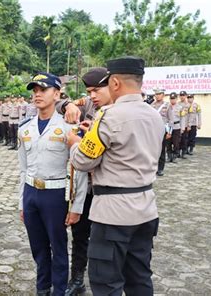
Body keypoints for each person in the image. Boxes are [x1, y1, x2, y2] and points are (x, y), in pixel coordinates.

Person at [67, 56, 164, 296]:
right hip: (145, 208)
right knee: (139, 278)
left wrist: (74, 143)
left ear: (116, 83)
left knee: (106, 282)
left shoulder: (108, 116)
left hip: (113, 214)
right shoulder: (154, 115)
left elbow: (82, 161)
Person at [19, 72, 87, 296]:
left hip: (56, 195)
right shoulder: (25, 128)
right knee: (38, 247)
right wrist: (22, 202)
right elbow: (23, 168)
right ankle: (42, 287)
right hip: (31, 193)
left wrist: (76, 207)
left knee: (58, 248)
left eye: (43, 90)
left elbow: (79, 170)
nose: (37, 95)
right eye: (35, 91)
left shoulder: (69, 128)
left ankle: (59, 290)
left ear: (57, 94)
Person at [60, 67, 112, 296]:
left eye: (96, 90)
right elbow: (60, 102)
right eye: (89, 91)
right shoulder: (90, 104)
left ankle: (107, 281)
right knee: (80, 235)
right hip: (86, 186)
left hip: (110, 189)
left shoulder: (124, 111)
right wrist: (67, 105)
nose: (91, 95)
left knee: (107, 240)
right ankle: (77, 278)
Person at [151, 87, 173, 176]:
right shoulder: (151, 105)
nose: (157, 96)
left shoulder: (167, 105)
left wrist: (169, 132)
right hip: (152, 131)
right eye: (156, 94)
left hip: (163, 131)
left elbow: (170, 119)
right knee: (152, 150)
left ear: (163, 95)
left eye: (159, 94)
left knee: (161, 150)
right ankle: (153, 168)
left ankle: (160, 168)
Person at [168, 92, 183, 163]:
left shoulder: (180, 107)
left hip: (177, 127)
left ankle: (175, 155)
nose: (172, 100)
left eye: (174, 99)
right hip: (168, 127)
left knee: (176, 143)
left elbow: (183, 118)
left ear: (176, 99)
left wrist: (182, 128)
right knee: (168, 143)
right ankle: (169, 156)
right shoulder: (167, 106)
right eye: (171, 99)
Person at [178, 91, 190, 158]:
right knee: (178, 140)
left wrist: (189, 125)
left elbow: (190, 116)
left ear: (186, 96)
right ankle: (177, 152)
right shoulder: (177, 104)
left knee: (184, 139)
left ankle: (183, 152)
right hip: (178, 124)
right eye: (181, 95)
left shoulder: (188, 105)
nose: (182, 97)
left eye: (183, 95)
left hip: (185, 124)